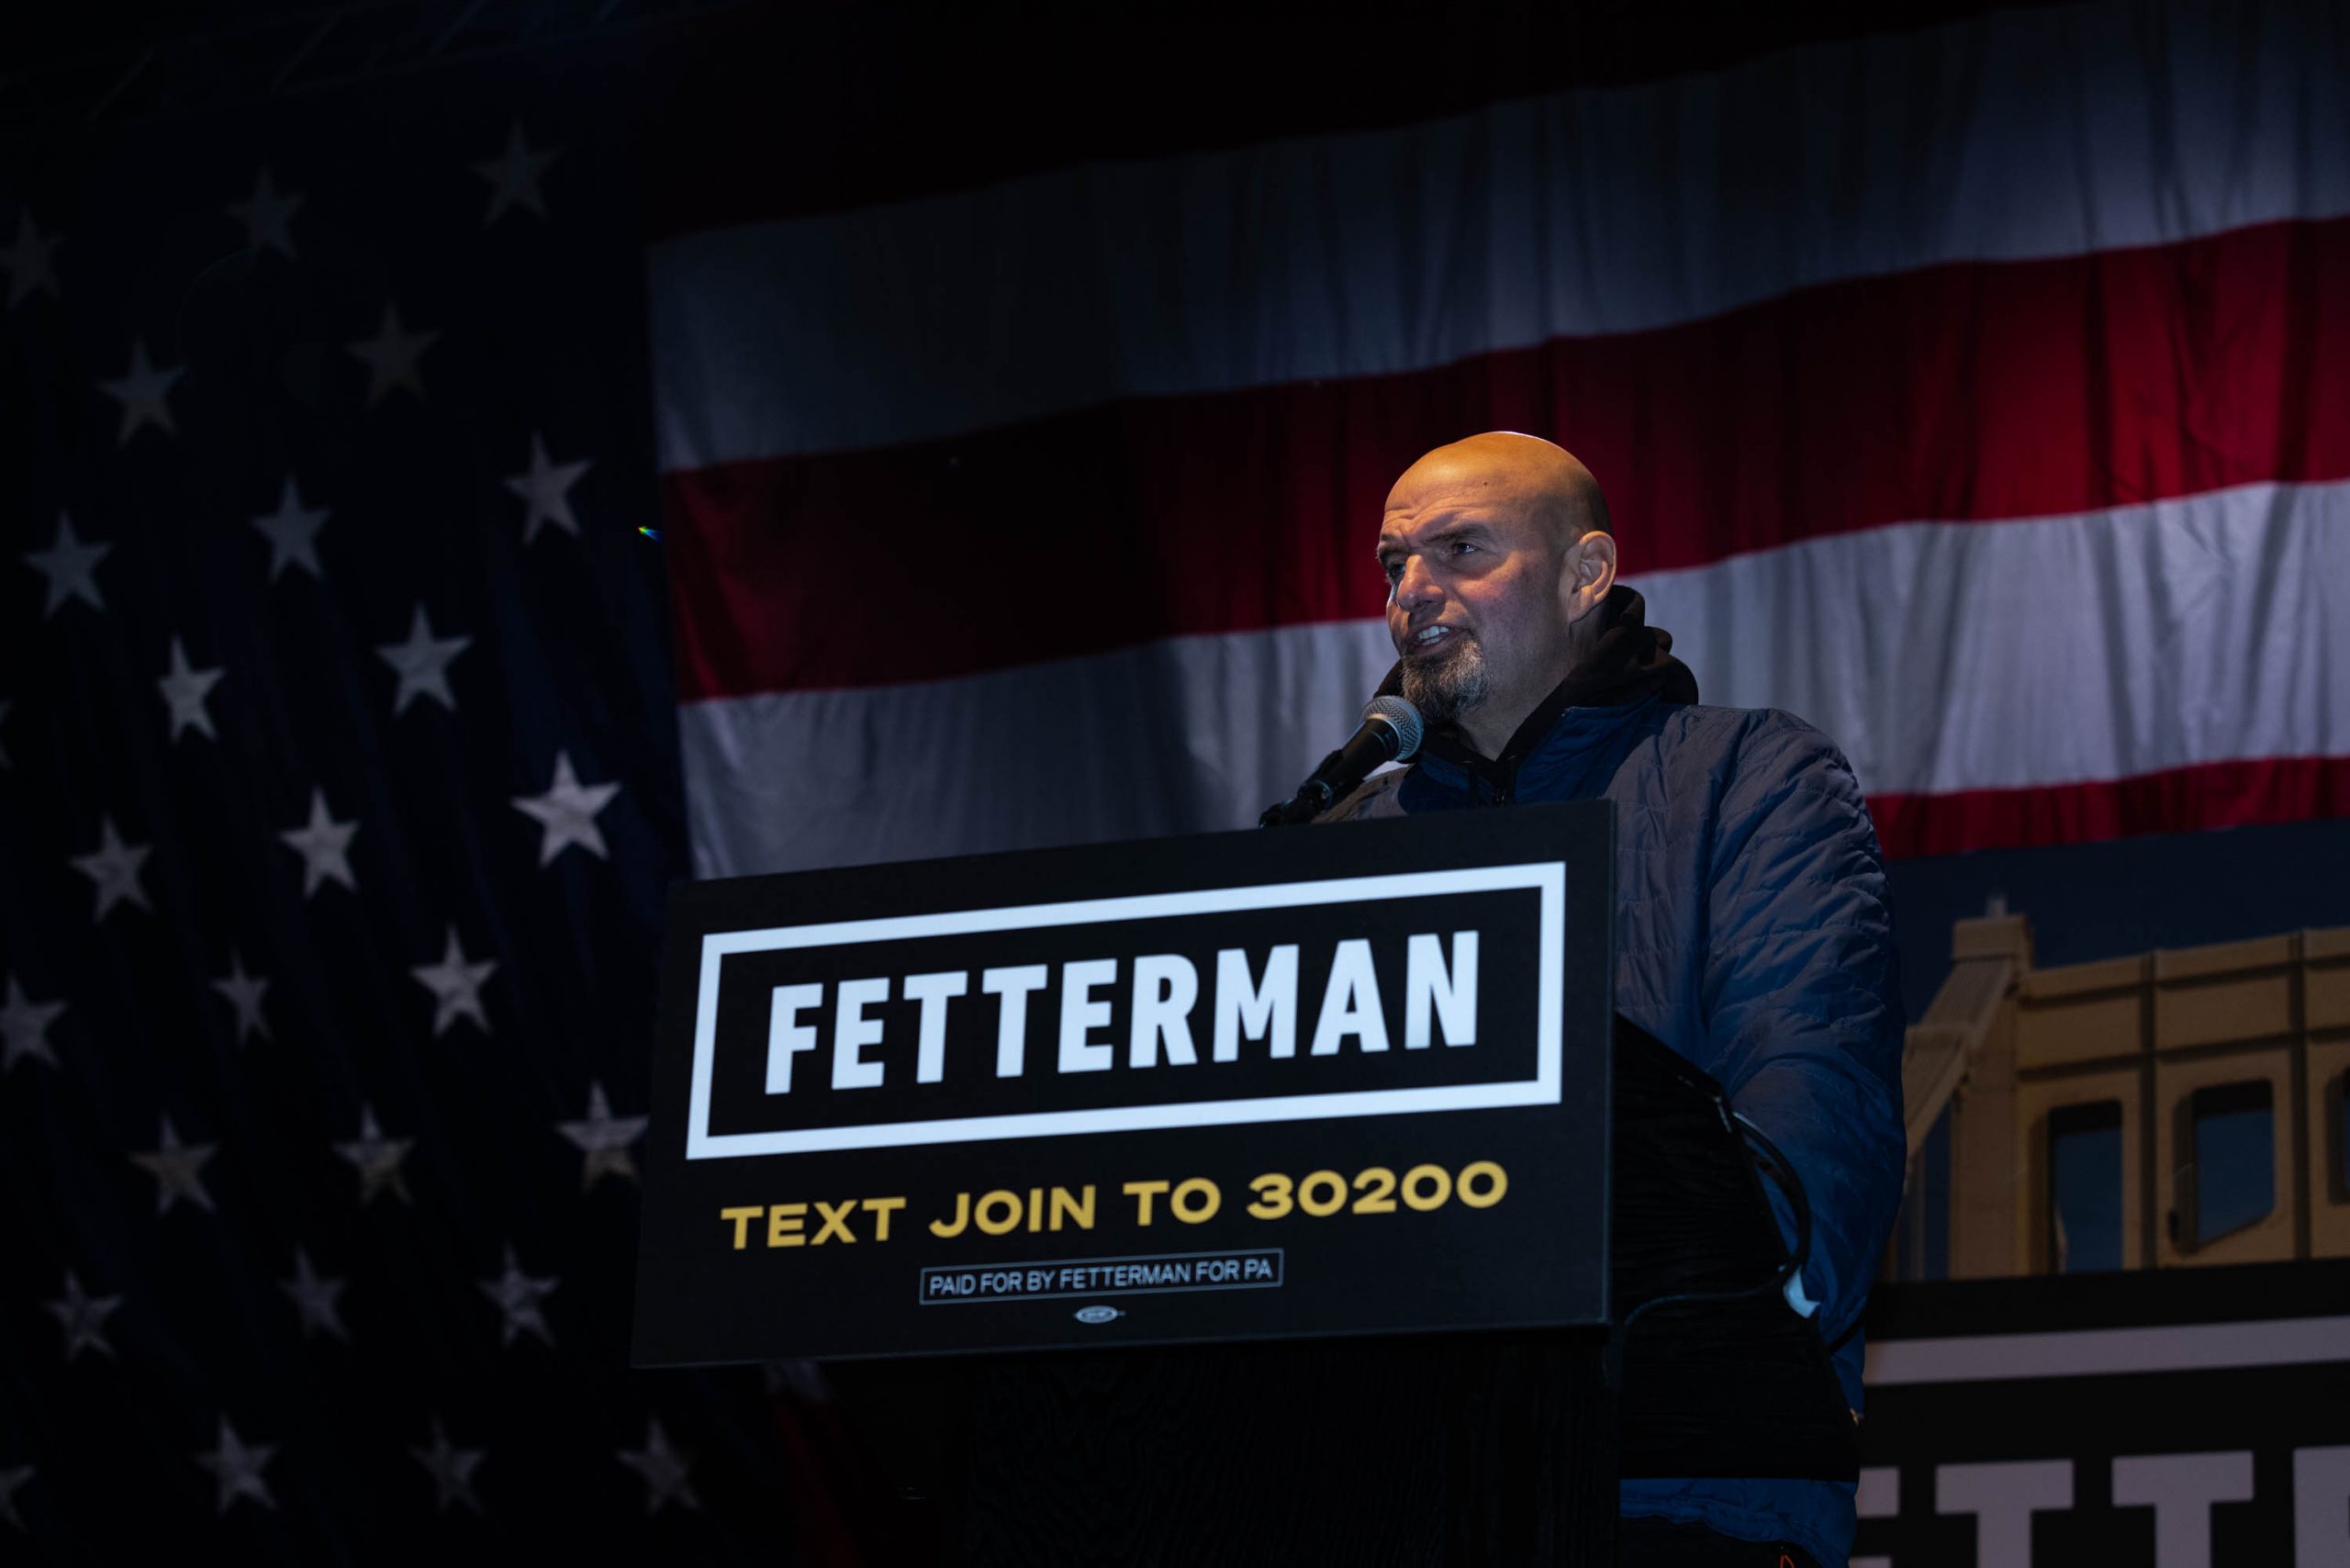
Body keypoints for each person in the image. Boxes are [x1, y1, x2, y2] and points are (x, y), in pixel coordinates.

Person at [1324, 431, 1906, 1568]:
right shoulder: (1351, 840)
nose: (1412, 593)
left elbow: (1812, 1117)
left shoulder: (1750, 779)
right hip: (1382, 1497)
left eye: (1458, 550)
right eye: (1393, 563)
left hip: (1679, 1498)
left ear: (1586, 574)